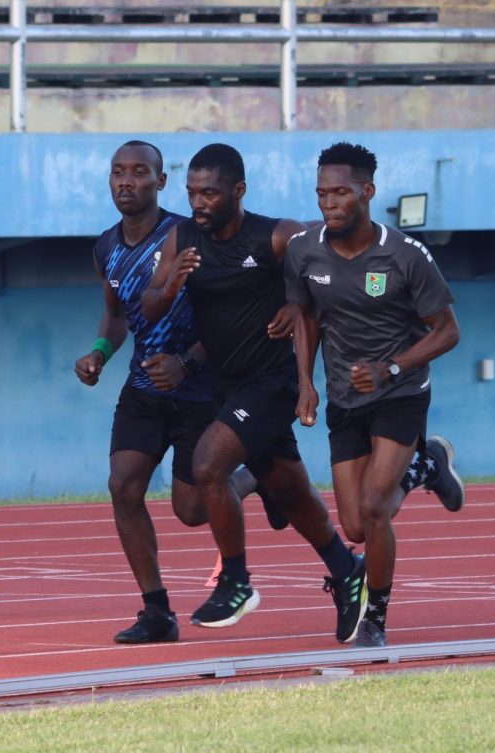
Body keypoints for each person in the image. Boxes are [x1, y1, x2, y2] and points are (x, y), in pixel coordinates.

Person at [139, 143, 371, 643]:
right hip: (224, 384)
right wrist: (172, 285)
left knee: (208, 464)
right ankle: (346, 568)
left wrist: (300, 305)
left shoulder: (278, 236)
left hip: (270, 383)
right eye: (192, 193)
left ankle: (237, 582)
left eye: (209, 193)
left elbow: (334, 265)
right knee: (288, 491)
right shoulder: (180, 238)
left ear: (238, 192)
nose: (198, 203)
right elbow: (150, 306)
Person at [75, 141, 282, 644]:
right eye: (118, 172)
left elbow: (229, 318)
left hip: (199, 387)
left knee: (191, 511)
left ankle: (261, 477)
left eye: (139, 172)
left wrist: (187, 361)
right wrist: (101, 351)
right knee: (123, 486)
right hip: (144, 387)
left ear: (160, 182)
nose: (127, 181)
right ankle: (157, 612)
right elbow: (117, 315)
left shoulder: (186, 235)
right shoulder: (106, 247)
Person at [285, 142, 465, 647]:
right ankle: (427, 466)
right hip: (345, 397)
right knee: (355, 527)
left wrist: (391, 368)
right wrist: (306, 384)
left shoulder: (405, 255)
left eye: (341, 192)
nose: (329, 203)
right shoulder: (304, 249)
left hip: (401, 391)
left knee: (374, 508)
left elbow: (448, 332)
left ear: (367, 192)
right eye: (322, 193)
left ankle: (376, 621)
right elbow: (306, 317)